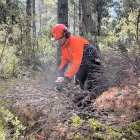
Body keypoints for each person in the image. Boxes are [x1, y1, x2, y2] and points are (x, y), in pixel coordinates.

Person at [51, 24, 102, 93]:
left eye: (58, 40)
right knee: (78, 86)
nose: (57, 42)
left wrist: (66, 79)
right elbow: (64, 61)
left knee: (93, 87)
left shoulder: (75, 42)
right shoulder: (64, 47)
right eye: (56, 40)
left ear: (65, 35)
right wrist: (60, 75)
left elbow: (76, 63)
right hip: (82, 64)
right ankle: (81, 100)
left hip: (93, 61)